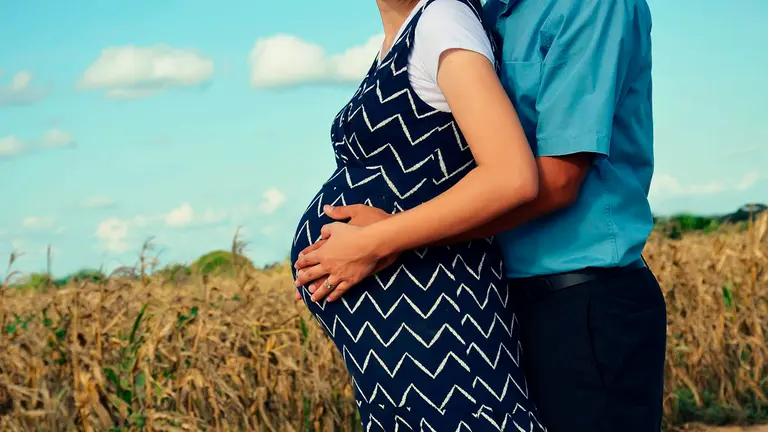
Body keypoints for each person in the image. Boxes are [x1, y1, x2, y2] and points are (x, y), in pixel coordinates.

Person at [294, 0, 667, 431]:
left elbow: (558, 179)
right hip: (504, 301)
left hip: (582, 299)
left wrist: (386, 237)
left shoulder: (589, 5)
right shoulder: (493, 13)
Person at [289, 0, 549, 430]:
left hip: (436, 325)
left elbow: (512, 176)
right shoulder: (404, 38)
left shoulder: (442, 20)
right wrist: (323, 267)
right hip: (400, 345)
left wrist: (370, 242)